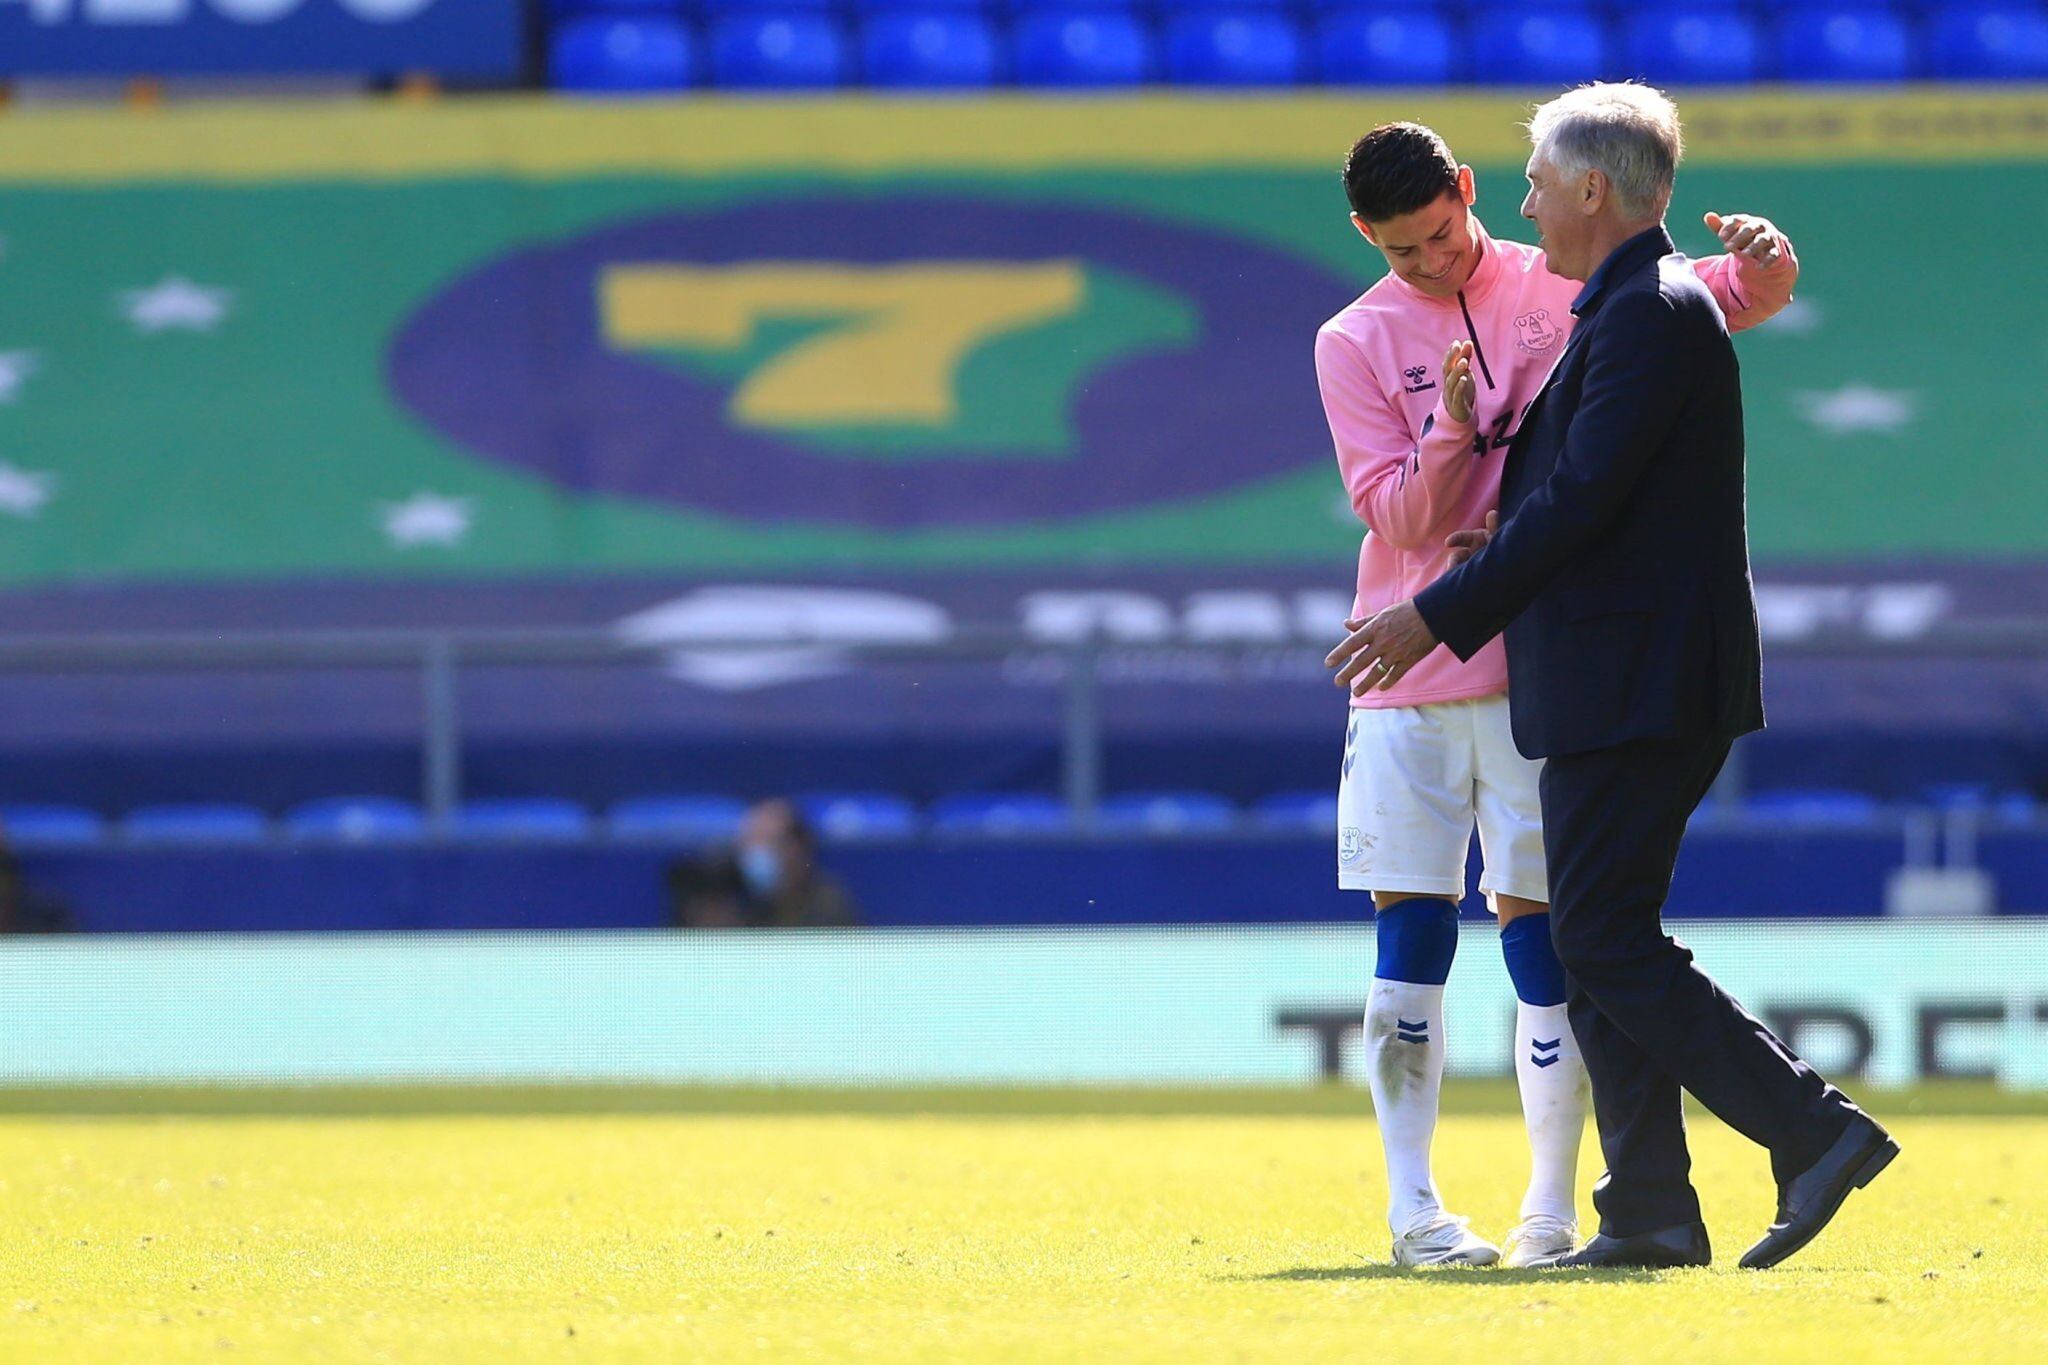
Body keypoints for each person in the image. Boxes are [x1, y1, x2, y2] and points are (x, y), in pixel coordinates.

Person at [1329, 83, 1894, 1272]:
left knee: (1598, 938)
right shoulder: (1625, 304)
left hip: (1633, 672)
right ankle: (1644, 1209)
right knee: (1598, 936)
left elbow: (1582, 501)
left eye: (1532, 179)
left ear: (1588, 189)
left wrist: (1430, 611)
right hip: (1611, 669)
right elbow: (1583, 487)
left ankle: (1810, 1129)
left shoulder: (1640, 308)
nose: (1524, 198)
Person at [668, 799, 860, 930]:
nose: (754, 855)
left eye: (767, 843)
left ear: (797, 849)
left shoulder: (828, 904)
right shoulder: (739, 898)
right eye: (748, 843)